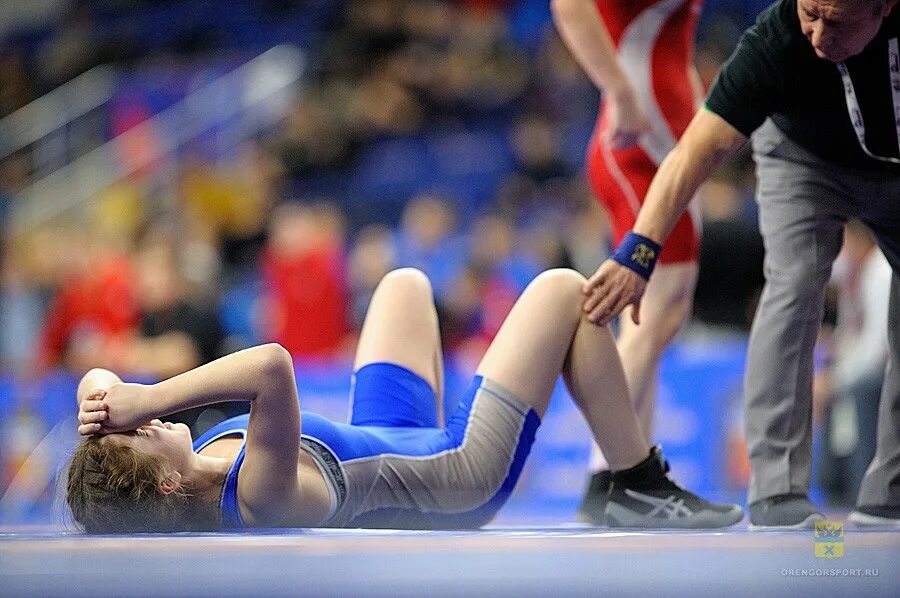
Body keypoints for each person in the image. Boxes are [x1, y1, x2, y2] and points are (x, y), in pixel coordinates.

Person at [67, 268, 743, 532]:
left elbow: (97, 381)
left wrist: (108, 399)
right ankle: (633, 482)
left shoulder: (186, 470)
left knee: (404, 286)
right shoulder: (257, 496)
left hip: (384, 435)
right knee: (567, 293)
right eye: (142, 429)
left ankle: (628, 482)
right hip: (456, 475)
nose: (148, 416)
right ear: (160, 478)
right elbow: (272, 367)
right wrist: (147, 393)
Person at [580, 0, 900, 528]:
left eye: (836, 22)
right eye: (809, 13)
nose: (817, 35)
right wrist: (638, 254)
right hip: (804, 158)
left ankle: (892, 490)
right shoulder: (777, 41)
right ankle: (777, 488)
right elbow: (691, 155)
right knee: (794, 284)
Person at [551, 0, 707, 523]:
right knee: (649, 317)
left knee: (659, 319)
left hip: (666, 141)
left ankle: (634, 477)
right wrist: (618, 89)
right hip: (641, 142)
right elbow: (569, 5)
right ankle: (611, 479)